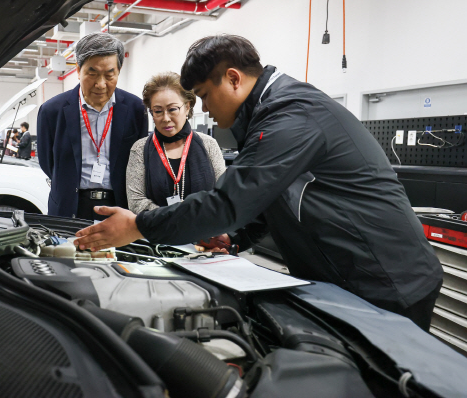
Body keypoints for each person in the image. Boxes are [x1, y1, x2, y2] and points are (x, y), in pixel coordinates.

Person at [74, 34, 443, 331]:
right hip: (348, 278)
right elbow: (273, 195)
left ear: (233, 79)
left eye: (203, 96)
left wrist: (139, 226)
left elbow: (227, 202)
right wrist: (235, 238)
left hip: (386, 282)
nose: (204, 111)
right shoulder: (271, 115)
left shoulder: (292, 115)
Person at [37, 32, 147, 220]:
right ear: (79, 70)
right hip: (69, 206)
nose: (101, 84)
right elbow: (48, 163)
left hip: (119, 206)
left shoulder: (135, 109)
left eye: (109, 74)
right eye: (92, 73)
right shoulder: (52, 111)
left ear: (119, 71)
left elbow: (139, 161)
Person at [127, 72, 225, 214]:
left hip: (203, 231)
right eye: (158, 111)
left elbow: (222, 194)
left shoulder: (209, 144)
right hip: (158, 232)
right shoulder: (140, 149)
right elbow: (136, 202)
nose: (166, 118)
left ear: (187, 107)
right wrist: (175, 217)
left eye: (172, 109)